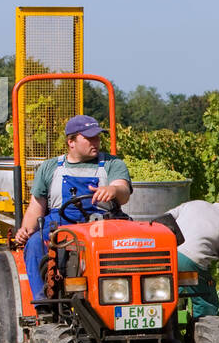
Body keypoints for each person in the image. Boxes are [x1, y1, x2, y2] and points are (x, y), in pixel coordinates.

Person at [13, 114, 132, 301]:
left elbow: (123, 191)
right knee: (34, 242)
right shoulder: (50, 167)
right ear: (71, 142)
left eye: (97, 137)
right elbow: (36, 207)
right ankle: (42, 302)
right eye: (89, 137)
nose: (96, 142)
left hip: (101, 224)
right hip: (59, 224)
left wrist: (113, 189)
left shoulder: (112, 164)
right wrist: (25, 231)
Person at [162, 191, 219, 318]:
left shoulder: (194, 204)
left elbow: (164, 219)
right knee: (207, 302)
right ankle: (201, 331)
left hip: (165, 257)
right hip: (190, 264)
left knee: (166, 298)